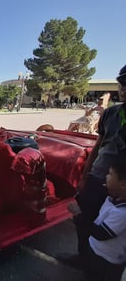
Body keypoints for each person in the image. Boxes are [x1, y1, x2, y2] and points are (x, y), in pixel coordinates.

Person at [69, 64, 126, 265]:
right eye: (122, 85)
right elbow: (98, 145)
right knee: (83, 217)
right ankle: (82, 256)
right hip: (99, 176)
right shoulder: (111, 114)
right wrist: (85, 174)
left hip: (123, 187)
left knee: (115, 228)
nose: (123, 90)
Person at [68, 153, 126, 280]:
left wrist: (78, 214)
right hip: (96, 251)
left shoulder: (122, 213)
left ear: (123, 185)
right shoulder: (114, 197)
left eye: (110, 174)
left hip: (106, 260)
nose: (106, 176)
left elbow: (100, 234)